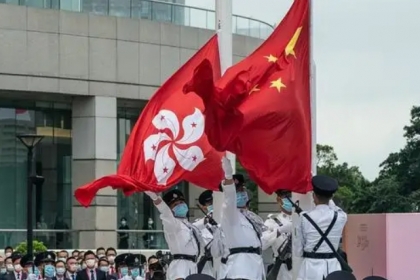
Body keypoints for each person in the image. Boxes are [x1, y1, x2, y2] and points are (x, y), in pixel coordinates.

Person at [219, 157, 265, 280]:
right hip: (240, 269)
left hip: (255, 267)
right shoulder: (230, 213)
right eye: (237, 191)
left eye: (242, 189)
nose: (241, 193)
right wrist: (228, 177)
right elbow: (230, 197)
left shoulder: (251, 217)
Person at [295, 175, 348, 280]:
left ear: (314, 196)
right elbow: (335, 208)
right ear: (331, 197)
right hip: (333, 267)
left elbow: (298, 250)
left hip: (310, 268)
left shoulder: (304, 217)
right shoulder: (341, 216)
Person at [144, 189, 203, 280]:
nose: (180, 205)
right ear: (170, 209)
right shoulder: (171, 224)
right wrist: (155, 197)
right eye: (175, 204)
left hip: (193, 264)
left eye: (182, 202)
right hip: (180, 266)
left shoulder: (188, 225)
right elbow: (164, 211)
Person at [262, 190, 293, 280]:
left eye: (291, 195)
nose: (290, 198)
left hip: (301, 268)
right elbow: (263, 243)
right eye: (286, 196)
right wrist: (279, 231)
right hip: (282, 270)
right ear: (279, 199)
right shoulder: (272, 221)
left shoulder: (302, 219)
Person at [193, 190, 215, 277]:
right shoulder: (199, 225)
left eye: (214, 202)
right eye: (210, 203)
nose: (213, 204)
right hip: (207, 267)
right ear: (203, 207)